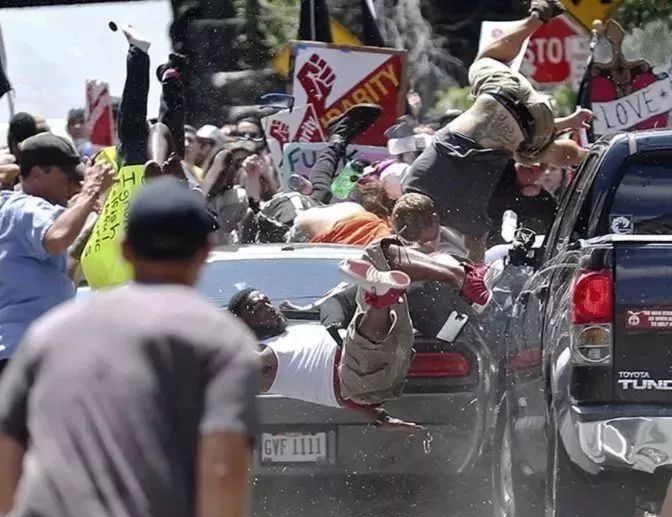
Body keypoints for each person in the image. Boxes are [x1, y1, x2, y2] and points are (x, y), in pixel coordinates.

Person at [0, 182, 260, 517]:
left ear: (126, 249)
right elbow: (223, 470)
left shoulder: (53, 331)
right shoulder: (221, 340)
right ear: (205, 253)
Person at [401, 0, 592, 262]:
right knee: (484, 61)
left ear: (432, 219)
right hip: (502, 93)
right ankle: (536, 17)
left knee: (536, 152)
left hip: (534, 124)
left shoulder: (459, 213)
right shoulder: (412, 180)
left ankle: (591, 159)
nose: (428, 243)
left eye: (426, 238)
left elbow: (476, 251)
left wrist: (475, 287)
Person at [228, 235, 465, 424]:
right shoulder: (262, 358)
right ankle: (379, 298)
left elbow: (342, 395)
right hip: (359, 370)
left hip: (387, 363)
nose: (267, 307)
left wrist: (380, 418)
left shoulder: (294, 332)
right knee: (357, 343)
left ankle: (464, 279)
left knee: (379, 250)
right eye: (256, 308)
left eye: (266, 300)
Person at [0, 133, 115, 398]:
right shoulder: (27, 208)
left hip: (5, 353)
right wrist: (91, 191)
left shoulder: (4, 209)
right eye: (69, 178)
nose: (74, 185)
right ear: (37, 174)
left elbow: (64, 265)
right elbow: (57, 238)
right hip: (20, 353)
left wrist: (89, 213)